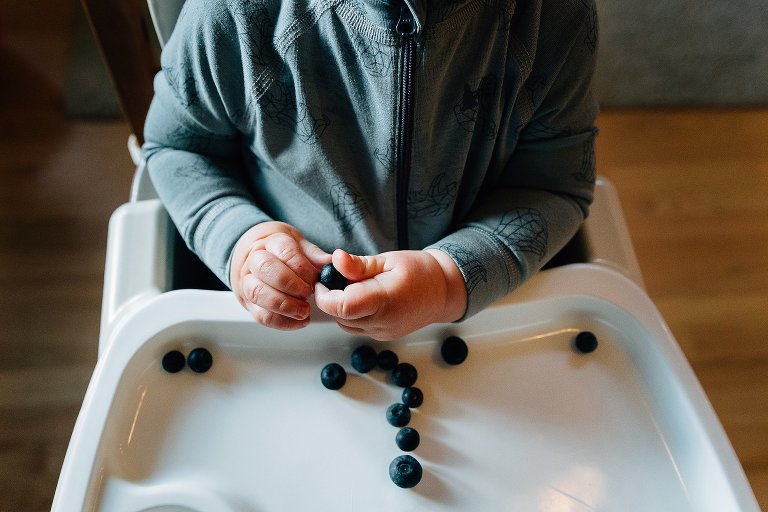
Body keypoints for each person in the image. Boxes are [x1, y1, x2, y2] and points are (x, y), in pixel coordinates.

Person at [143, 0, 599, 340]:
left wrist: (446, 279)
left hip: (482, 307)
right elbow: (178, 149)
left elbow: (553, 186)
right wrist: (242, 241)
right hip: (299, 324)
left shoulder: (553, 17)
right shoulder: (232, 15)